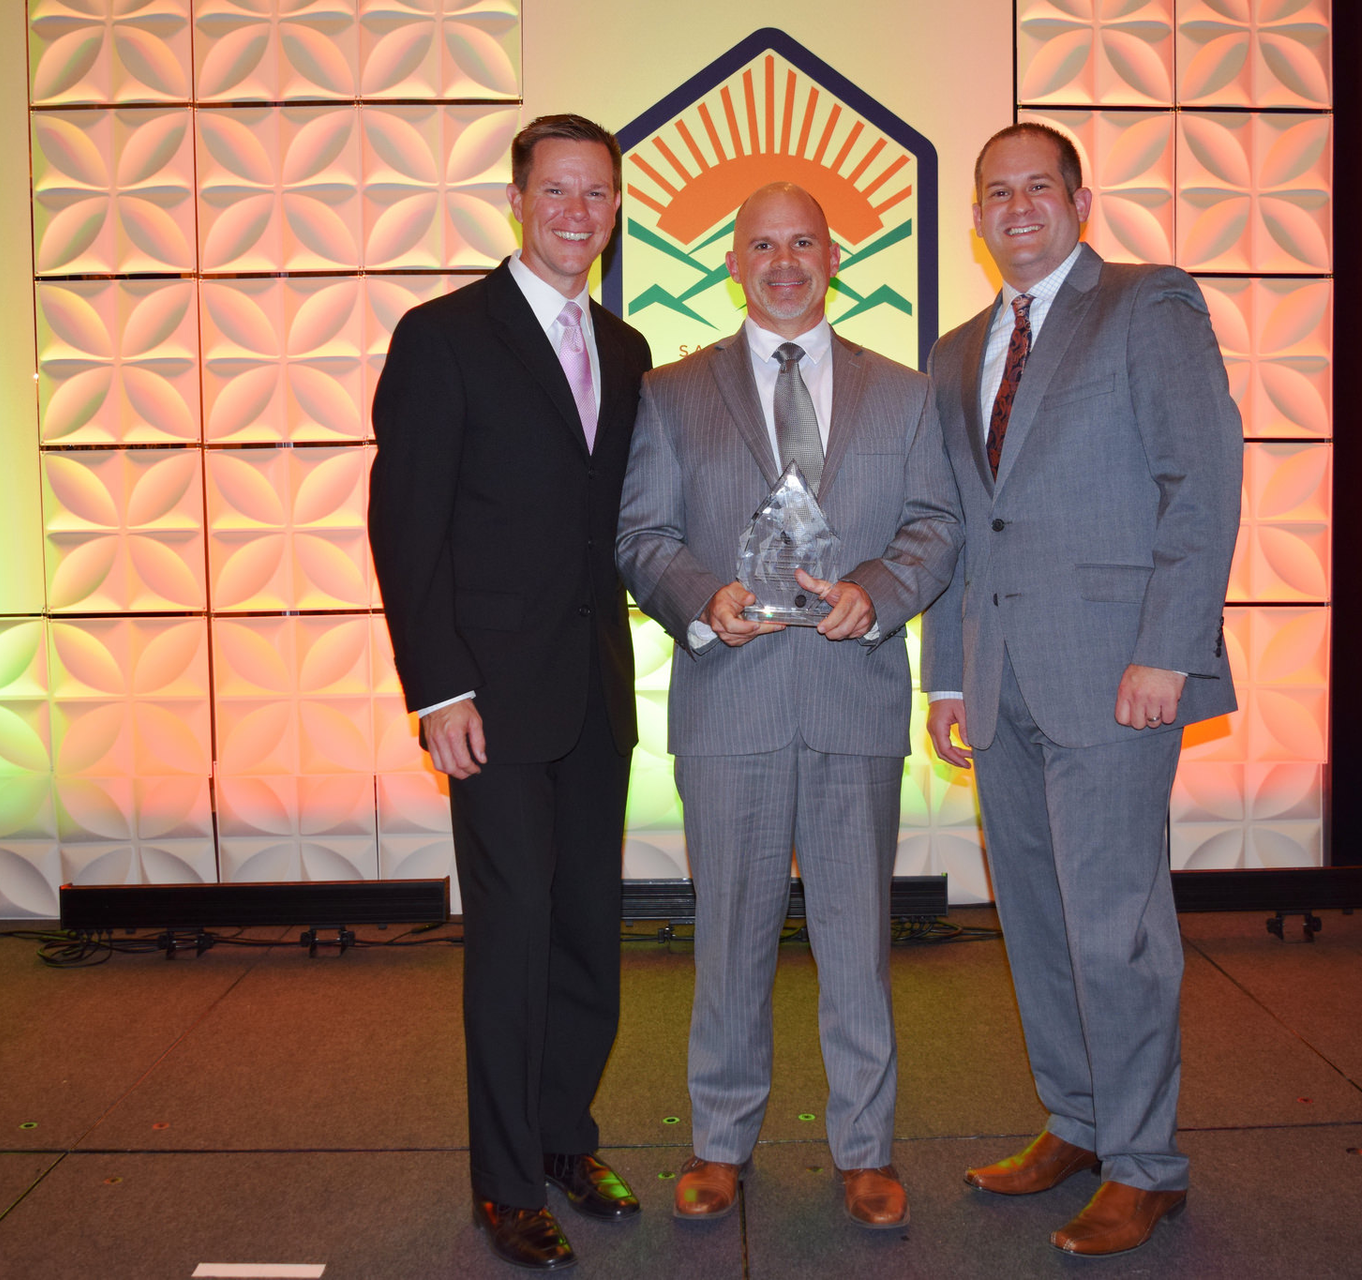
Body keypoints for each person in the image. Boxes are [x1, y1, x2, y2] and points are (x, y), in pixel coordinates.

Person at [921, 122, 1243, 1257]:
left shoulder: (1148, 305)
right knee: (1040, 921)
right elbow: (959, 527)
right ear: (976, 216)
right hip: (999, 681)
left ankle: (1148, 1161)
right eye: (995, 190)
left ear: (1079, 200)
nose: (1017, 207)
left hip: (1120, 676)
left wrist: (1171, 647)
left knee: (1117, 927)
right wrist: (948, 677)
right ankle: (1078, 1120)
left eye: (1036, 188)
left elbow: (1200, 483)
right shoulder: (958, 349)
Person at [617, 183, 959, 1230]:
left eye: (801, 241)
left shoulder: (903, 393)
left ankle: (865, 1146)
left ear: (831, 254)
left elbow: (937, 525)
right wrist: (699, 600)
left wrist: (882, 589)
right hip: (731, 699)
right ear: (732, 260)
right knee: (728, 937)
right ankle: (720, 1141)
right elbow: (640, 534)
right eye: (761, 243)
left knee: (858, 937)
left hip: (854, 698)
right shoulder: (668, 392)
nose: (783, 260)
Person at [368, 113, 653, 1272]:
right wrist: (439, 687)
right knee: (512, 933)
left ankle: (564, 1135)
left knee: (588, 925)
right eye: (557, 192)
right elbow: (405, 526)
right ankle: (502, 1179)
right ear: (518, 201)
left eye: (597, 195)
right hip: (488, 701)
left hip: (595, 693)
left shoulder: (627, 350)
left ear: (616, 210)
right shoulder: (443, 336)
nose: (577, 213)